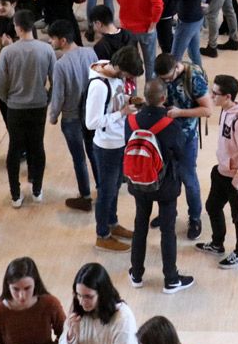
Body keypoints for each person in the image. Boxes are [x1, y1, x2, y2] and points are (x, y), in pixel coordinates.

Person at [127, 79, 194, 294]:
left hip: (139, 182)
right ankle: (171, 279)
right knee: (168, 230)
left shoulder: (132, 121)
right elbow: (181, 153)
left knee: (140, 226)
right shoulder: (169, 124)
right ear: (164, 98)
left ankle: (136, 274)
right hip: (165, 184)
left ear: (145, 97)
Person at [194, 73, 238, 270]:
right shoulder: (225, 111)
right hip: (221, 171)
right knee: (213, 206)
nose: (211, 97)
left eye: (215, 94)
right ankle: (217, 243)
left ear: (228, 96)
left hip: (235, 177)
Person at [85, 46, 144, 252]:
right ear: (119, 67)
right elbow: (91, 122)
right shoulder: (98, 86)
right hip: (107, 146)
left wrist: (128, 101)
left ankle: (112, 223)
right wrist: (122, 112)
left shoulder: (111, 72)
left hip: (119, 141)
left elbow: (115, 99)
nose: (128, 79)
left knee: (115, 187)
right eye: (127, 74)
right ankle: (102, 235)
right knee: (106, 192)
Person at [0, 10, 55, 207]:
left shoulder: (7, 52)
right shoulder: (46, 50)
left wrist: (9, 100)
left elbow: (0, 87)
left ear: (19, 28)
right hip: (38, 105)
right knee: (37, 146)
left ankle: (15, 194)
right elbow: (55, 80)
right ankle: (37, 189)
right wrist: (47, 97)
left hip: (15, 107)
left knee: (14, 148)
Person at [154, 53, 211, 241]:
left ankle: (195, 218)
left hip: (187, 138)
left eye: (168, 78)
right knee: (167, 177)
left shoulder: (193, 78)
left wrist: (180, 113)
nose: (166, 81)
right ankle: (168, 214)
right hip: (166, 134)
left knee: (188, 178)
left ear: (177, 67)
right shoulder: (162, 74)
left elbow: (207, 110)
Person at [48, 20, 100, 212]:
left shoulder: (61, 65)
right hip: (90, 113)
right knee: (93, 152)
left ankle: (85, 196)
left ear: (62, 40)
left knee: (78, 158)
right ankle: (102, 190)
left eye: (52, 39)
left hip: (71, 118)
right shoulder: (91, 53)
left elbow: (58, 95)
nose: (51, 42)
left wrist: (53, 116)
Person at [0, 257, 66, 344]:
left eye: (27, 288)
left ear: (35, 284)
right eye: (15, 289)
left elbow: (65, 340)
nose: (21, 296)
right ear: (7, 286)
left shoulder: (50, 304)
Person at [58, 263, 140, 344]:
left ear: (102, 293)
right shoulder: (77, 309)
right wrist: (71, 335)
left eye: (88, 297)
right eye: (79, 295)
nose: (81, 302)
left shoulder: (123, 319)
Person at [113, 0, 163, 80]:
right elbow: (158, 5)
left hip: (127, 27)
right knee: (150, 62)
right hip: (146, 27)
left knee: (130, 64)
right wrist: (153, 23)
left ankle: (131, 94)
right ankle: (149, 93)